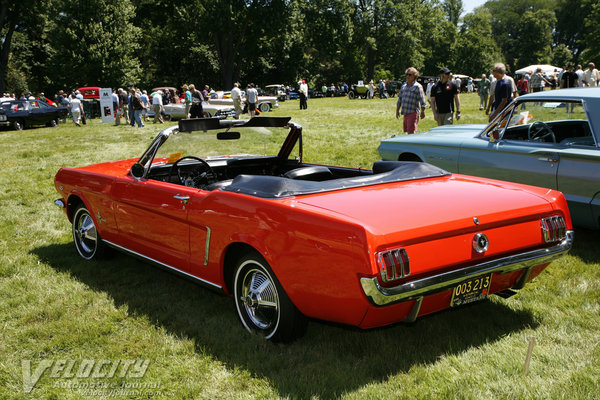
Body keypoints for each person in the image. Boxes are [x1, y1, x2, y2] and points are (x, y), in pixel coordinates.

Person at [395, 67, 426, 134]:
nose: (407, 76)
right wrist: (397, 110)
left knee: (411, 132)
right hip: (405, 113)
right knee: (407, 132)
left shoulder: (418, 86)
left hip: (413, 113)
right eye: (407, 74)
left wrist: (423, 111)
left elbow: (422, 100)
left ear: (414, 76)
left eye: (410, 75)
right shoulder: (404, 86)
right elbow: (400, 99)